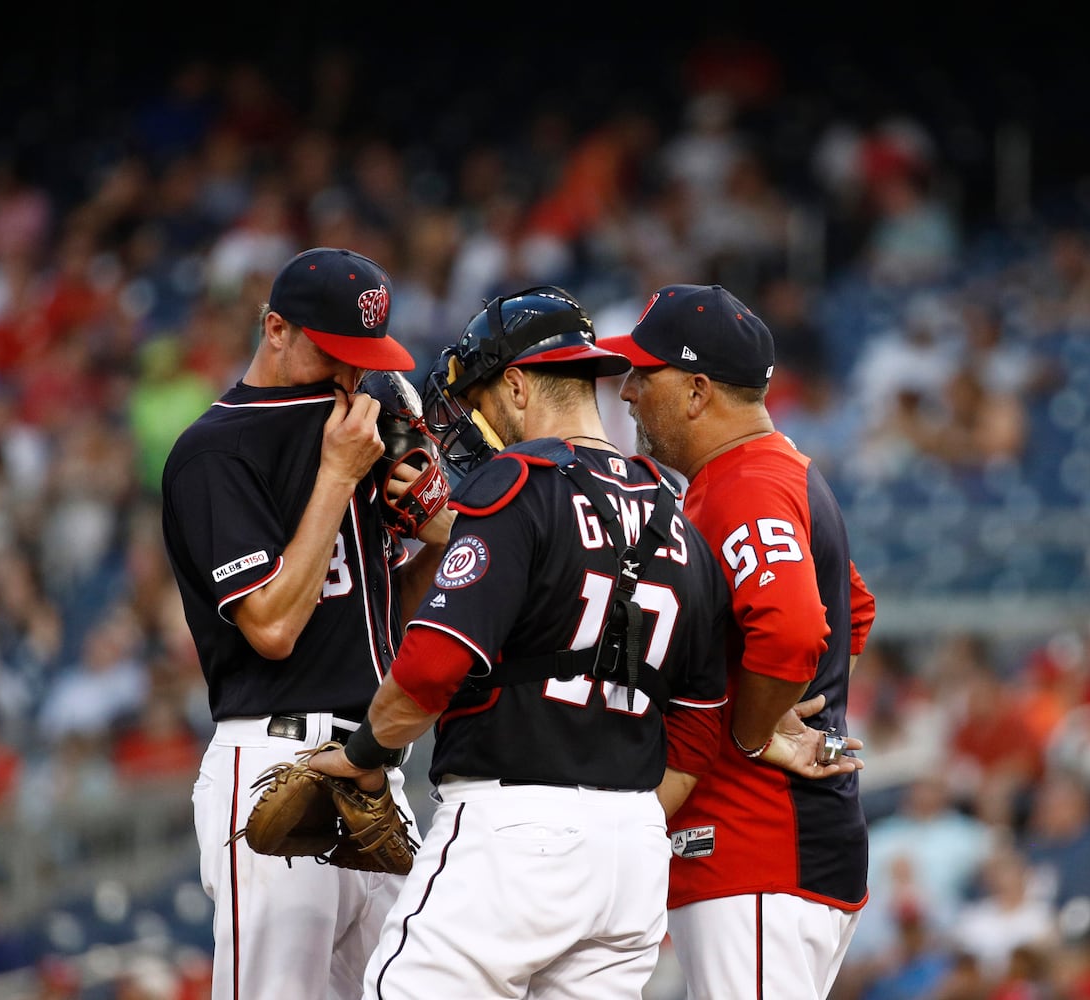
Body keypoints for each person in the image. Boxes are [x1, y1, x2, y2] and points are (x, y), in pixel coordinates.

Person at [305, 286, 852, 996]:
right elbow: (697, 722)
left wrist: (364, 755)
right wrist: (614, 821)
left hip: (517, 826)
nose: (471, 418)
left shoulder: (513, 484)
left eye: (479, 397)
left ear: (515, 384)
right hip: (631, 852)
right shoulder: (677, 512)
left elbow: (433, 663)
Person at [160, 247, 454, 1000]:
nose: (350, 374)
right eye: (335, 353)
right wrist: (337, 478)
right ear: (276, 329)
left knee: (424, 982)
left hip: (369, 761)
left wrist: (435, 536)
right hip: (272, 765)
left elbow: (391, 618)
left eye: (364, 357)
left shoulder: (361, 429)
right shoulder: (215, 450)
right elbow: (272, 627)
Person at [601, 282, 879, 998]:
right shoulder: (769, 472)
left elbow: (793, 632)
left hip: (757, 838)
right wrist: (790, 698)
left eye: (644, 372)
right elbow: (852, 613)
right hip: (775, 848)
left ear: (697, 391)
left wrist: (756, 730)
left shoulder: (743, 483)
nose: (628, 392)